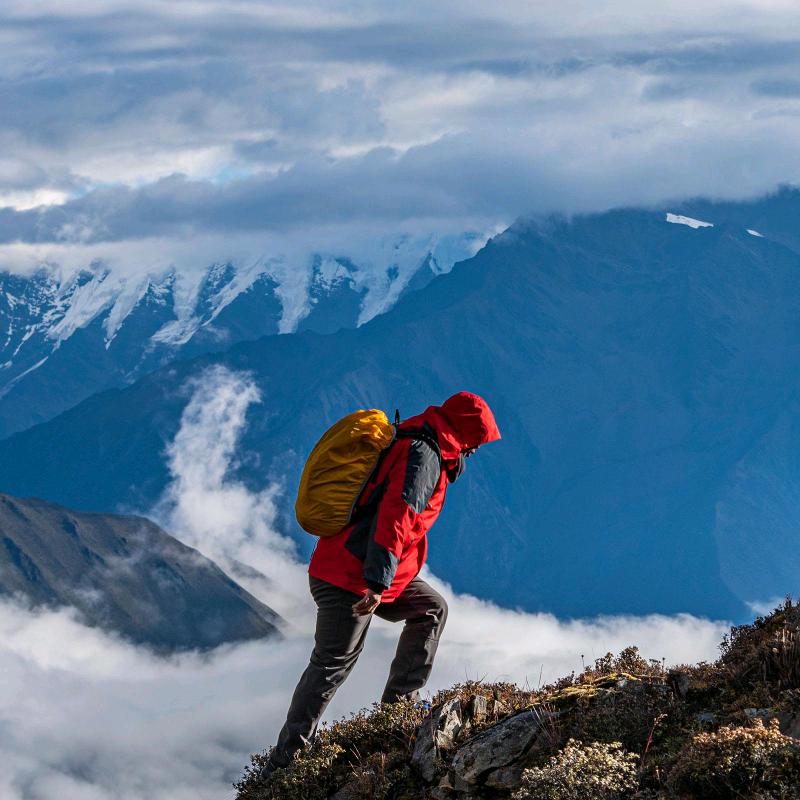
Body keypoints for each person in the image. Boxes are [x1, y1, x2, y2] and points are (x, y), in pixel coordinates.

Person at [262, 391, 501, 778]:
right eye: (477, 440)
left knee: (430, 609)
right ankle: (283, 764)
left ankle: (396, 716)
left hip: (370, 571)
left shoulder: (420, 442)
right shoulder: (424, 455)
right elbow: (397, 516)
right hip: (352, 578)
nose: (476, 449)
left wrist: (381, 578)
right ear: (464, 432)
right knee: (331, 665)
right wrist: (376, 582)